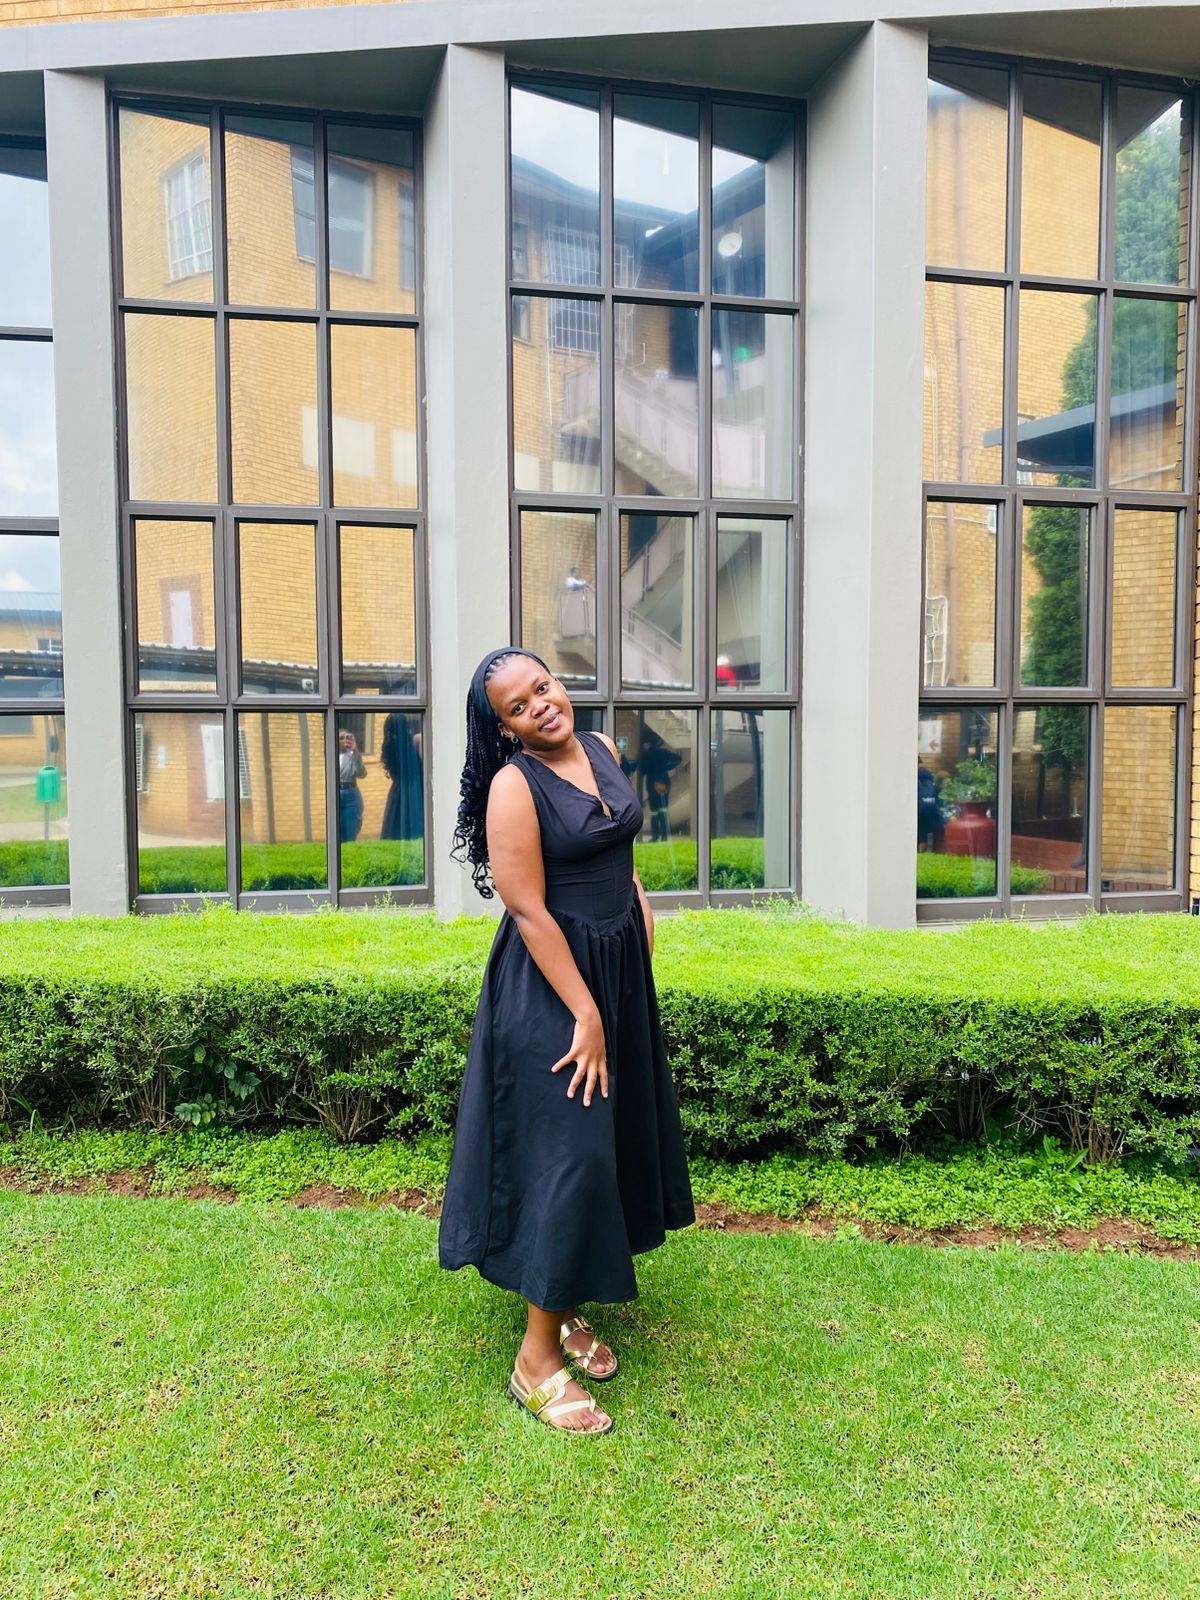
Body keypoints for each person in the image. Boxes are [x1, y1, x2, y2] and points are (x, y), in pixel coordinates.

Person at [440, 646, 695, 1437]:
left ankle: (564, 1303)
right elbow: (527, 910)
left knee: (604, 1141)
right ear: (506, 729)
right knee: (571, 1153)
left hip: (614, 971)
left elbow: (617, 850)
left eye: (542, 687)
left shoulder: (602, 747)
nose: (540, 705)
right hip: (554, 988)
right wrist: (585, 1012)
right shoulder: (514, 788)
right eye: (518, 706)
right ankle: (535, 1360)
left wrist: (640, 913)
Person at [637, 730, 682, 844]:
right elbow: (678, 758)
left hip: (652, 783)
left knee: (654, 811)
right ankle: (664, 836)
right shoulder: (662, 752)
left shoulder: (646, 755)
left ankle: (655, 836)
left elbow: (642, 770)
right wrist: (667, 767)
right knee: (662, 810)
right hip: (663, 782)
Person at [338, 729, 367, 843]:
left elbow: (362, 774)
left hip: (351, 794)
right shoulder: (331, 755)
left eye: (347, 737)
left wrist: (355, 751)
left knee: (350, 831)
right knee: (338, 831)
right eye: (341, 738)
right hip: (336, 794)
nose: (345, 740)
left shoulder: (353, 756)